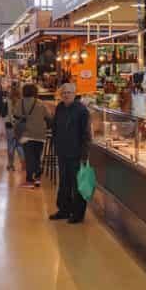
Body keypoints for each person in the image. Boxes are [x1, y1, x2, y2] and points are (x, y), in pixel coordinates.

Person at [51, 83, 91, 224]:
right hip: (62, 151)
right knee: (64, 182)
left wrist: (84, 155)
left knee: (77, 184)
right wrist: (56, 144)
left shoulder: (82, 111)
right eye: (64, 93)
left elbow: (86, 134)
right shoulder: (60, 108)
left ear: (75, 94)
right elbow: (55, 127)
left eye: (69, 92)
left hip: (76, 153)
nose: (66, 95)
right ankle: (64, 210)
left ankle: (78, 214)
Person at [16, 83, 50, 188]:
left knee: (29, 156)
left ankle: (30, 180)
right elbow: (48, 116)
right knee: (37, 155)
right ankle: (38, 177)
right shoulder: (40, 103)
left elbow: (16, 115)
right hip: (40, 133)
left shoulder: (20, 103)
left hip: (26, 133)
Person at [5, 82, 23, 170]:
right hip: (19, 124)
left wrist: (12, 122)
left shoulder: (8, 99)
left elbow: (8, 113)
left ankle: (10, 164)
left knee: (10, 144)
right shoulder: (21, 100)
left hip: (9, 124)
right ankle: (23, 163)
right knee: (19, 145)